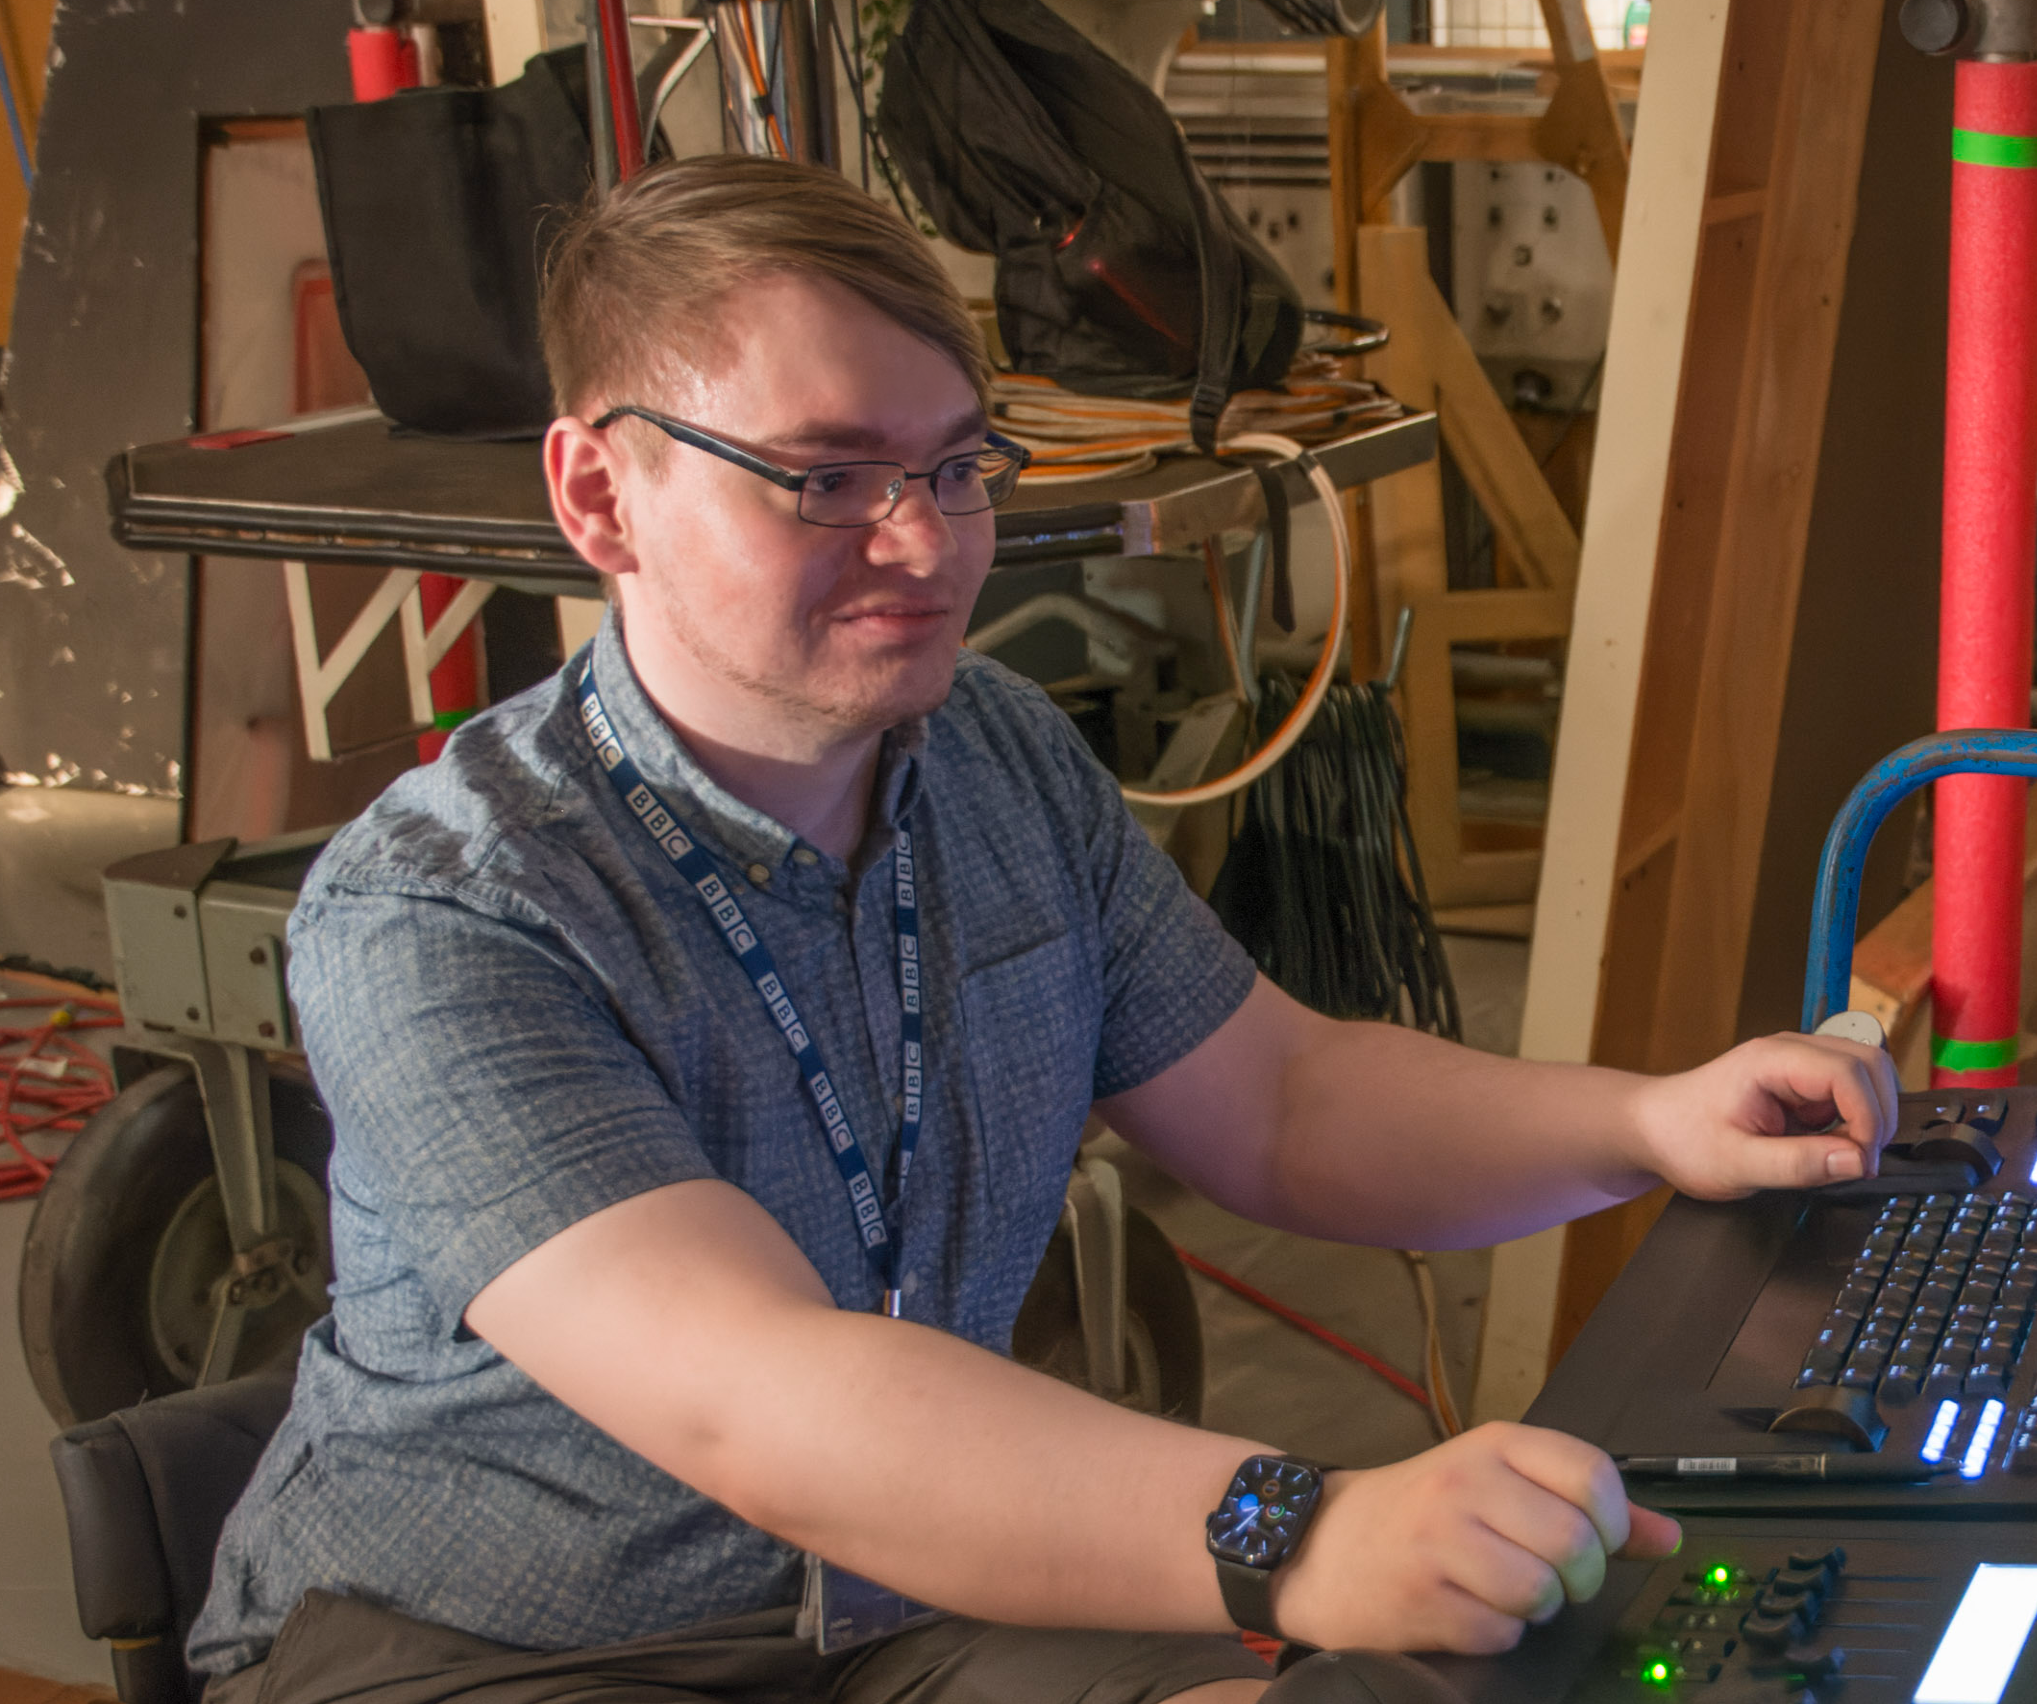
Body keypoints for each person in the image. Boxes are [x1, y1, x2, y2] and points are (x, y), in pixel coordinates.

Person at [188, 154, 1899, 1704]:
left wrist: (1646, 1123)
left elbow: (1285, 1102)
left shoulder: (997, 759)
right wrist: (1301, 1527)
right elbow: (757, 1399)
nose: (927, 543)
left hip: (901, 1598)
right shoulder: (445, 910)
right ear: (600, 498)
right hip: (477, 1646)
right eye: (825, 478)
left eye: (956, 464)